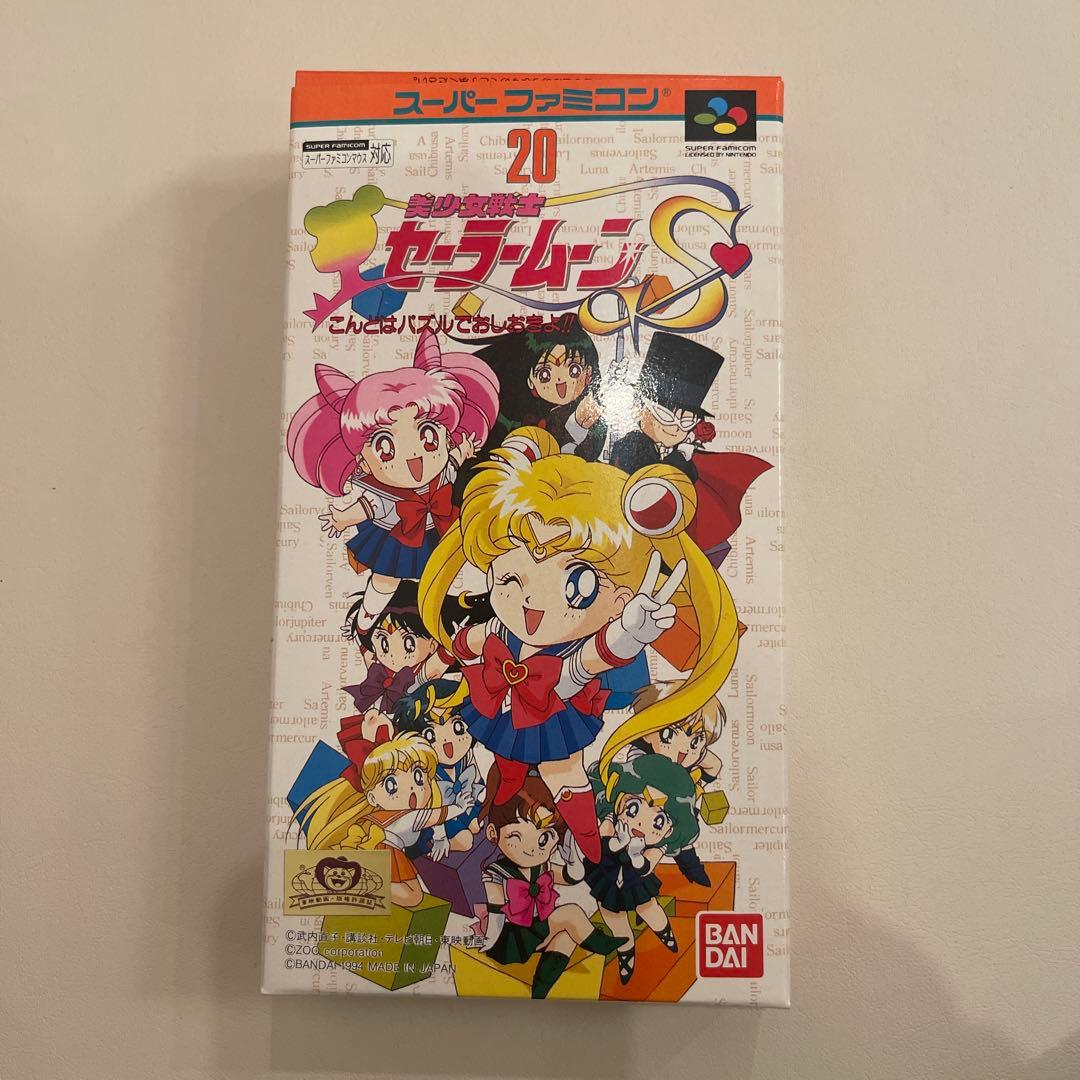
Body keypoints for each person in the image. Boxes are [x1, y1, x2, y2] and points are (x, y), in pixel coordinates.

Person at [418, 425, 741, 862]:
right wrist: (443, 655)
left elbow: (583, 664)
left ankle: (590, 847)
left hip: (555, 710)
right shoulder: (502, 625)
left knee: (565, 774)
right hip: (503, 705)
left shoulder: (589, 639)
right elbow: (473, 640)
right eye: (510, 576)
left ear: (620, 599)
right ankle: (502, 802)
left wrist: (624, 637)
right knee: (507, 764)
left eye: (576, 587)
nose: (531, 600)